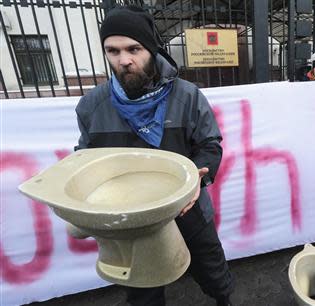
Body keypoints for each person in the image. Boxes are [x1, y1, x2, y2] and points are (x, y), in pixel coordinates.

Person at [73, 5, 233, 306]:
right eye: (113, 51)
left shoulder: (187, 96)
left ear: (151, 48)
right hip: (132, 221)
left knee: (212, 269)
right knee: (142, 289)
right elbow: (85, 161)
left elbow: (210, 144)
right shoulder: (92, 107)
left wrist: (202, 173)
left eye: (134, 48)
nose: (124, 60)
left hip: (188, 208)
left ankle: (223, 300)